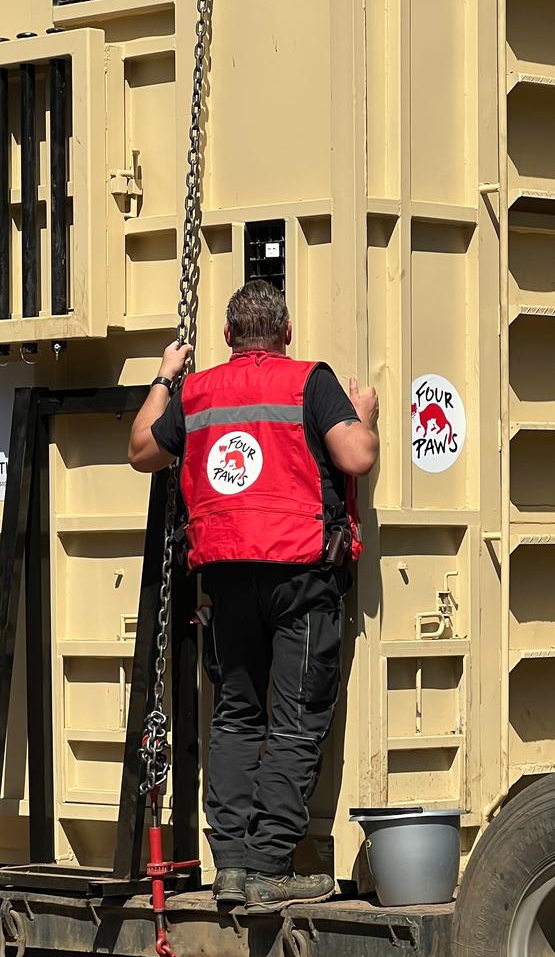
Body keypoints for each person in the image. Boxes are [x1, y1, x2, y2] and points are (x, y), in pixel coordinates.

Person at [128, 280, 379, 914]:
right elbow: (356, 456)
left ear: (227, 338)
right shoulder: (309, 381)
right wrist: (366, 412)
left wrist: (165, 376)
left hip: (227, 579)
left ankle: (231, 869)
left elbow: (140, 451)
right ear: (287, 333)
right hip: (300, 577)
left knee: (236, 719)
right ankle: (270, 867)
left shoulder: (200, 389)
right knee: (294, 724)